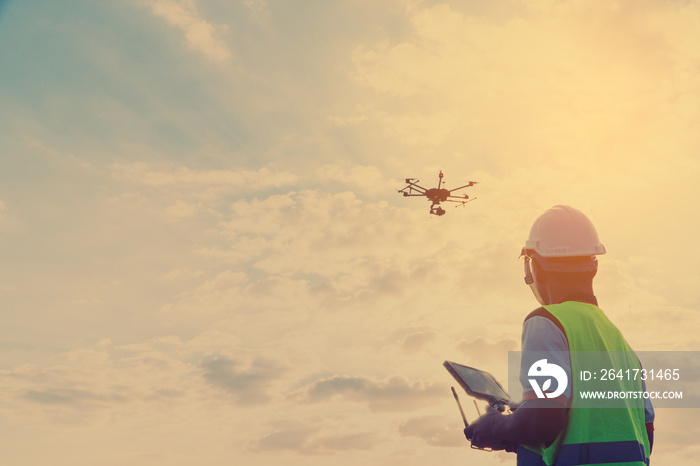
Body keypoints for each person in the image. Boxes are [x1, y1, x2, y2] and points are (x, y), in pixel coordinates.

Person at [464, 205, 654, 465]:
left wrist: (496, 426)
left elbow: (544, 418)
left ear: (536, 269)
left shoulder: (546, 322)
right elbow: (646, 434)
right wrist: (517, 433)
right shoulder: (622, 345)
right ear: (594, 266)